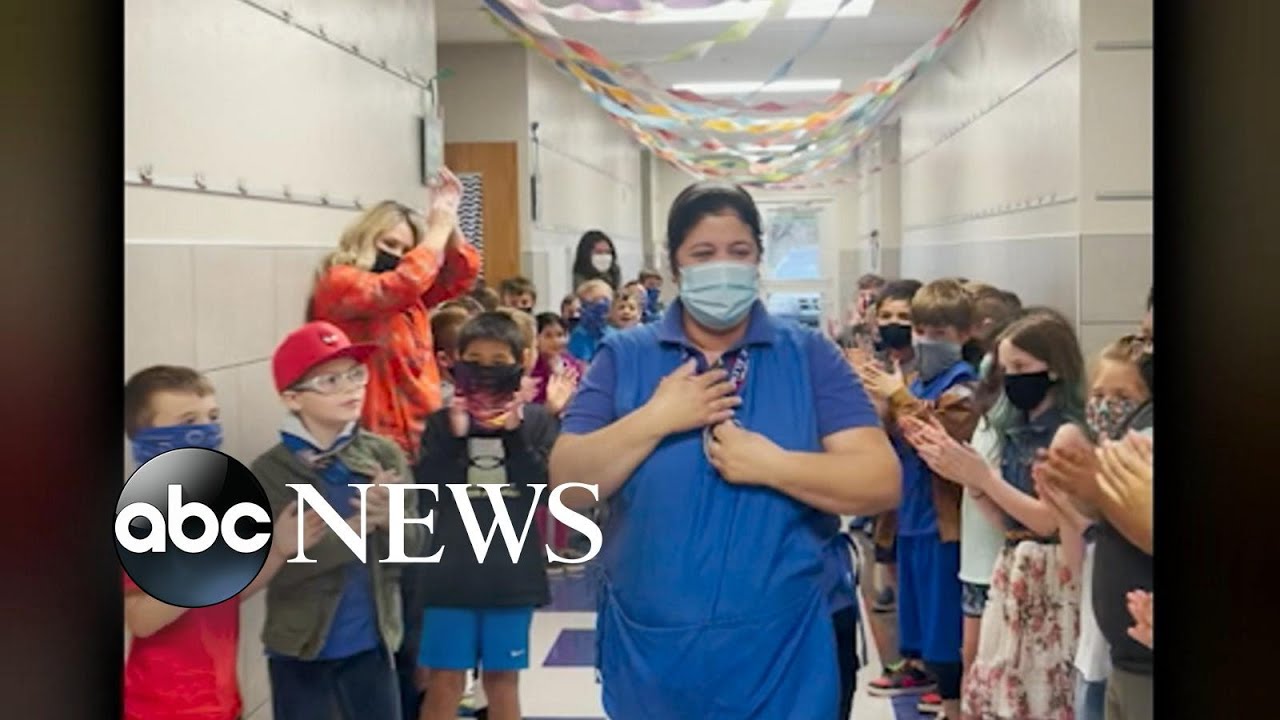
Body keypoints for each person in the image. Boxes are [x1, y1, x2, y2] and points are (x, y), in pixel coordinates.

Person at [549, 181, 901, 719]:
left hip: (789, 649)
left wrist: (773, 466)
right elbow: (569, 489)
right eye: (703, 253)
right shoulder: (626, 356)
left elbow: (879, 481)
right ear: (674, 264)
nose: (723, 267)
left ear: (759, 258)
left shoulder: (807, 357)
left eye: (739, 252)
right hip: (655, 651)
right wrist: (654, 419)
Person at [907, 311, 1087, 719]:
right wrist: (968, 479)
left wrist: (984, 478)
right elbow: (1009, 523)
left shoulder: (1066, 433)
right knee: (993, 688)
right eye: (1007, 369)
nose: (1012, 379)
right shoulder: (1017, 428)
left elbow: (1047, 522)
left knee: (1039, 694)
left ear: (1056, 368)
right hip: (1013, 566)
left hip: (1051, 575)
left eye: (1022, 368)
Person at [122, 366, 328, 720]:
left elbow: (227, 595)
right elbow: (141, 620)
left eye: (213, 417)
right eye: (189, 422)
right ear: (146, 436)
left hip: (221, 701)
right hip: (161, 708)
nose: (206, 430)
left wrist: (279, 549)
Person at [252, 321, 427, 720]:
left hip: (371, 642)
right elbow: (288, 565)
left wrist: (393, 521)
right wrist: (359, 525)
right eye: (330, 380)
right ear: (293, 398)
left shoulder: (383, 455)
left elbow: (415, 547)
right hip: (300, 648)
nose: (350, 388)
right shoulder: (272, 473)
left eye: (355, 375)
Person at [412, 312, 559, 720]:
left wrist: (512, 434)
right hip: (449, 575)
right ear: (456, 363)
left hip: (510, 576)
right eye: (474, 362)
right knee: (444, 682)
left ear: (521, 362)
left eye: (498, 363)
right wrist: (456, 439)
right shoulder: (442, 425)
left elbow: (540, 489)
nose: (485, 373)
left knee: (501, 682)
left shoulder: (538, 423)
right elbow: (427, 493)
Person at [855, 279, 981, 720]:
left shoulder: (962, 385)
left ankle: (952, 694)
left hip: (941, 520)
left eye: (940, 333)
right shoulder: (918, 381)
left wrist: (899, 398)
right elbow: (897, 428)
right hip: (910, 512)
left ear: (965, 335)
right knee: (916, 605)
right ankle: (922, 668)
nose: (927, 340)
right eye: (922, 330)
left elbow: (939, 435)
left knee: (944, 613)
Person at [308, 168, 480, 462]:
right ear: (365, 238)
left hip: (423, 437)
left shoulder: (411, 299)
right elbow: (403, 283)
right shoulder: (340, 283)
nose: (399, 256)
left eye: (407, 250)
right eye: (389, 245)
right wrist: (436, 229)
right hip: (369, 442)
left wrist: (448, 219)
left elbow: (459, 276)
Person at [1038, 289, 1153, 720]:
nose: (1106, 408)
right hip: (1111, 653)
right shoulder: (1119, 451)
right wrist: (1078, 499)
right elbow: (1088, 549)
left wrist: (1100, 494)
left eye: (1121, 397)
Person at [858, 278, 922, 617]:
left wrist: (892, 399)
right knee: (890, 556)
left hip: (919, 485)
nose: (893, 324)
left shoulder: (925, 370)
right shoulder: (878, 365)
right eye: (886, 316)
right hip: (888, 481)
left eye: (903, 316)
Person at [566, 279, 615, 363]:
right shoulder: (580, 335)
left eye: (605, 299)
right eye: (595, 300)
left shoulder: (614, 333)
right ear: (583, 306)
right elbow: (583, 366)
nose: (602, 304)